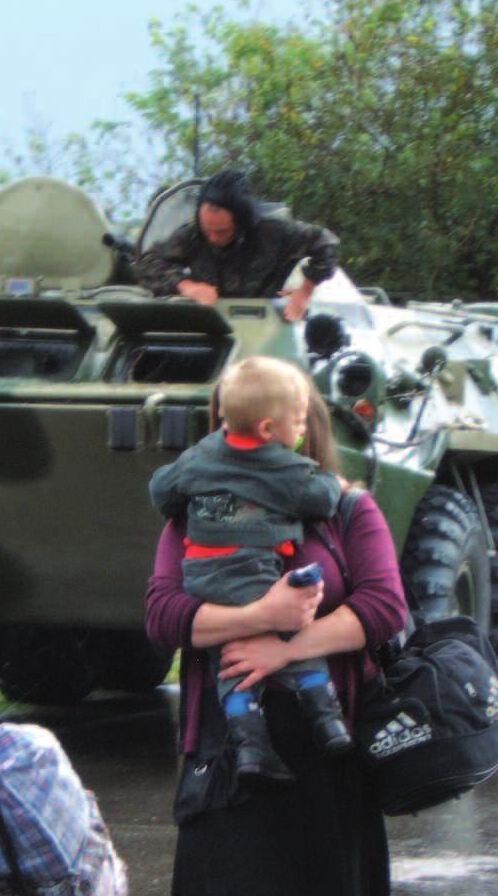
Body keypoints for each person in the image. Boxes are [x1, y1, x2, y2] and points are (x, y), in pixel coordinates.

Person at [133, 375, 409, 896]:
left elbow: (385, 607)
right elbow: (162, 613)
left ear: (297, 429)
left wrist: (285, 641)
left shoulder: (346, 507)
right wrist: (255, 616)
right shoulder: (199, 503)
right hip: (229, 749)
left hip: (330, 746)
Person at [147, 357, 347, 784]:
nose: (299, 430)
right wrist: (335, 482)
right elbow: (323, 498)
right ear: (268, 431)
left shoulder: (198, 459)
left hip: (205, 580)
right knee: (298, 640)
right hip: (256, 571)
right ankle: (329, 724)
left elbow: (162, 490)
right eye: (295, 421)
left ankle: (252, 749)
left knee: (232, 664)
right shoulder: (284, 468)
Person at [135, 168, 339, 322]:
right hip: (213, 321)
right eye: (208, 231)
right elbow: (148, 262)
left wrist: (305, 293)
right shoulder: (193, 234)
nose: (213, 238)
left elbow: (325, 242)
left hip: (263, 320)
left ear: (242, 223)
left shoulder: (274, 233)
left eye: (222, 232)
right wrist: (187, 287)